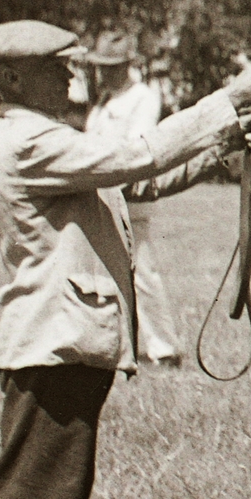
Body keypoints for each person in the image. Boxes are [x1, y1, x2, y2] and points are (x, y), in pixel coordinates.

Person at [0, 19, 251, 499]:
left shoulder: (52, 139)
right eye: (57, 67)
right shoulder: (27, 140)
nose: (71, 76)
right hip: (52, 343)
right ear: (9, 78)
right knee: (38, 494)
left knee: (56, 492)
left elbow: (139, 181)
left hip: (67, 341)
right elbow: (136, 156)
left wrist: (227, 140)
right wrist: (227, 100)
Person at [84, 30, 185, 368]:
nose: (105, 72)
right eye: (102, 66)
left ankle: (164, 347)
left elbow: (135, 145)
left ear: (128, 65)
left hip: (129, 195)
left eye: (112, 66)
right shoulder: (104, 101)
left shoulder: (142, 97)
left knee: (140, 272)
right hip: (99, 192)